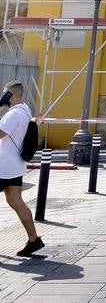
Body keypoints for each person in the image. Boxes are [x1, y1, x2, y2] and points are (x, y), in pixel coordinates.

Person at [0, 81, 44, 256]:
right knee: (16, 201)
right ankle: (34, 240)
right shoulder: (25, 109)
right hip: (15, 166)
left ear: (10, 95)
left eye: (4, 93)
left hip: (3, 166)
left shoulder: (13, 115)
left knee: (16, 202)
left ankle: (34, 239)